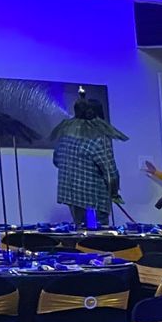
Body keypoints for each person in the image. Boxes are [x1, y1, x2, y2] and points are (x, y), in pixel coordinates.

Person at [51, 96, 122, 226]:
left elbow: (56, 160)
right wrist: (114, 192)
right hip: (94, 199)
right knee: (96, 240)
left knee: (81, 236)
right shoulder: (99, 137)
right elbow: (110, 173)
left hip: (70, 196)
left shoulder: (66, 134)